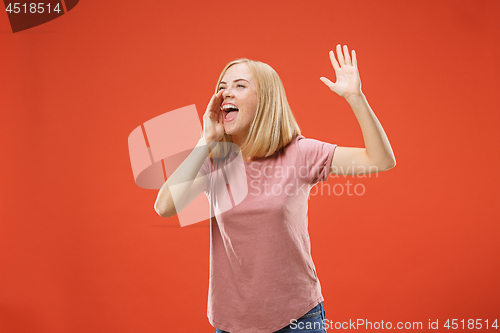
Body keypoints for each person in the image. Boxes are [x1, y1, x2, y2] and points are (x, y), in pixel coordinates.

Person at [154, 44, 396, 333]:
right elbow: (165, 207)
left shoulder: (300, 153)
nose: (226, 93)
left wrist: (356, 98)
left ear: (265, 99)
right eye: (222, 87)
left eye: (240, 85)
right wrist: (205, 141)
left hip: (297, 319)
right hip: (231, 322)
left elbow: (380, 160)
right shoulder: (215, 159)